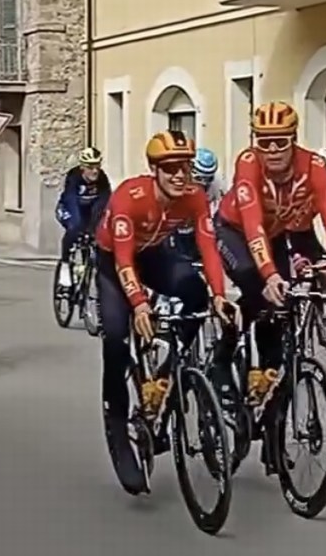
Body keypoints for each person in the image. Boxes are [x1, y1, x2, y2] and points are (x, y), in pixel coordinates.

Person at [95, 130, 234, 496]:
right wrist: (139, 303)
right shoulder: (130, 197)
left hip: (154, 253)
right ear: (154, 170)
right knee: (115, 337)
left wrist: (220, 295)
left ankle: (166, 369)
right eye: (170, 168)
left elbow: (208, 247)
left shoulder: (194, 197)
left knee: (195, 292)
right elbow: (124, 258)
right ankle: (117, 421)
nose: (179, 175)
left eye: (184, 167)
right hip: (114, 260)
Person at [212, 102, 326, 412]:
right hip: (234, 232)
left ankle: (269, 379)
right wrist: (270, 274)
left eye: (281, 141)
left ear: (294, 139)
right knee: (259, 286)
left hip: (275, 234)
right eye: (264, 141)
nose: (273, 149)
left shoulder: (315, 167)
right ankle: (221, 359)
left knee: (282, 304)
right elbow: (252, 223)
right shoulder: (248, 163)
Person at [55, 146, 111, 283]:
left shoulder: (102, 179)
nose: (95, 171)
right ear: (83, 168)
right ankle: (65, 264)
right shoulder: (74, 177)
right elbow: (71, 201)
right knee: (74, 228)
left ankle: (89, 269)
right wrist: (80, 225)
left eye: (97, 166)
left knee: (96, 235)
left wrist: (96, 229)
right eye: (91, 167)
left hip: (89, 211)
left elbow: (105, 202)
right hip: (68, 208)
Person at [171, 147, 226, 261]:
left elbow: (216, 209)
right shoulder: (176, 178)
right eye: (199, 179)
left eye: (206, 181)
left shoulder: (217, 184)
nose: (201, 186)